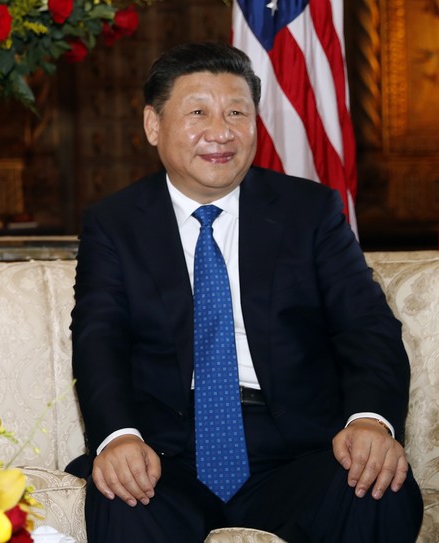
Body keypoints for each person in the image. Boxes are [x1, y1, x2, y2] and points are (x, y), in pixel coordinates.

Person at [69, 42, 423, 542]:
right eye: (198, 112)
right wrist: (119, 437)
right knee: (119, 500)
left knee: (376, 487)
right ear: (153, 125)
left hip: (298, 451)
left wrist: (370, 421)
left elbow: (366, 326)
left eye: (237, 112)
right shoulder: (115, 223)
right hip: (167, 456)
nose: (221, 132)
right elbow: (98, 340)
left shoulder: (310, 212)